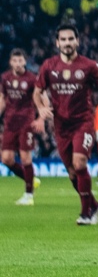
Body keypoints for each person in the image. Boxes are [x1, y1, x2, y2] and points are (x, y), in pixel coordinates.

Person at [35, 25, 98, 226]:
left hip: (82, 122)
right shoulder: (49, 66)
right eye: (63, 40)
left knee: (80, 163)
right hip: (61, 126)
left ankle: (86, 213)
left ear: (77, 41)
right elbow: (37, 91)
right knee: (73, 173)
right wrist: (41, 108)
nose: (67, 43)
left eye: (70, 39)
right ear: (57, 43)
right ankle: (94, 204)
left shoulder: (89, 66)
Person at [1, 49, 41, 205]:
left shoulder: (31, 79)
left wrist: (40, 118)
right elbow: (3, 99)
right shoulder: (5, 78)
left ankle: (28, 195)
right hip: (10, 123)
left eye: (20, 61)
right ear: (10, 62)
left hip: (26, 122)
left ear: (25, 61)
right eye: (15, 61)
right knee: (6, 159)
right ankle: (31, 179)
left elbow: (38, 99)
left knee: (25, 157)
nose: (18, 64)